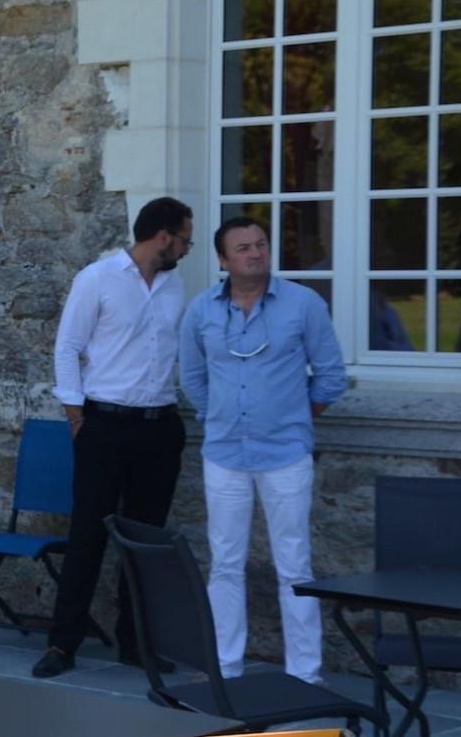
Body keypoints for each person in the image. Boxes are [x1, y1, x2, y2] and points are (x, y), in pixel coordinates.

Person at [32, 197, 194, 679]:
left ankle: (136, 643)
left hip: (160, 427)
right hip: (104, 424)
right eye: (185, 238)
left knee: (146, 541)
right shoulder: (97, 278)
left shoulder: (175, 285)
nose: (187, 246)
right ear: (163, 236)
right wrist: (76, 415)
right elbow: (68, 348)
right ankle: (63, 645)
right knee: (87, 536)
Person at [179, 216, 345, 685]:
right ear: (223, 260)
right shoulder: (201, 311)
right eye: (244, 247)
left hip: (285, 454)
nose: (255, 253)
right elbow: (192, 375)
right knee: (225, 563)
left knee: (295, 563)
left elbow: (330, 374)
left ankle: (305, 676)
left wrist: (292, 416)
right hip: (225, 454)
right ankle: (226, 669)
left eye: (261, 245)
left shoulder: (303, 304)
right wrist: (219, 417)